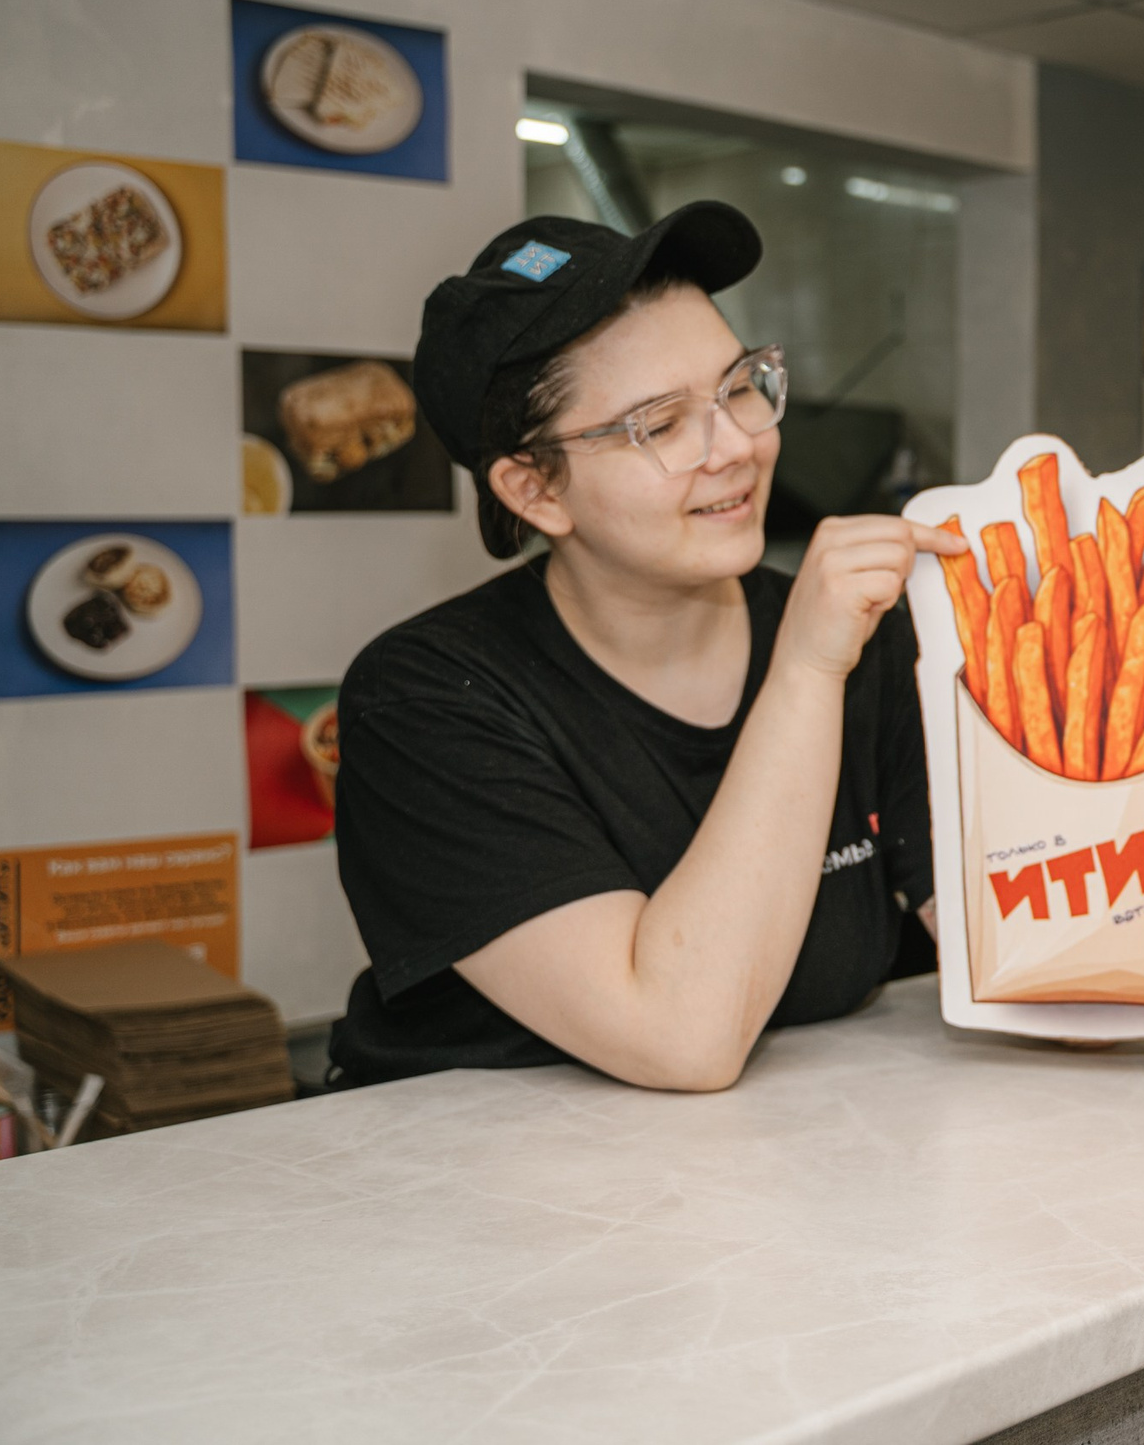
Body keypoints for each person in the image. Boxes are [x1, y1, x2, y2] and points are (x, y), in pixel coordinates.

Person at [326, 203, 969, 1091]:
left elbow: (1016, 939)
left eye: (740, 385)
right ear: (535, 490)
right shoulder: (427, 700)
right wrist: (808, 669)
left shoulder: (873, 642)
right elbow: (680, 1035)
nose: (739, 445)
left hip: (785, 1182)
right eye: (660, 425)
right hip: (484, 1202)